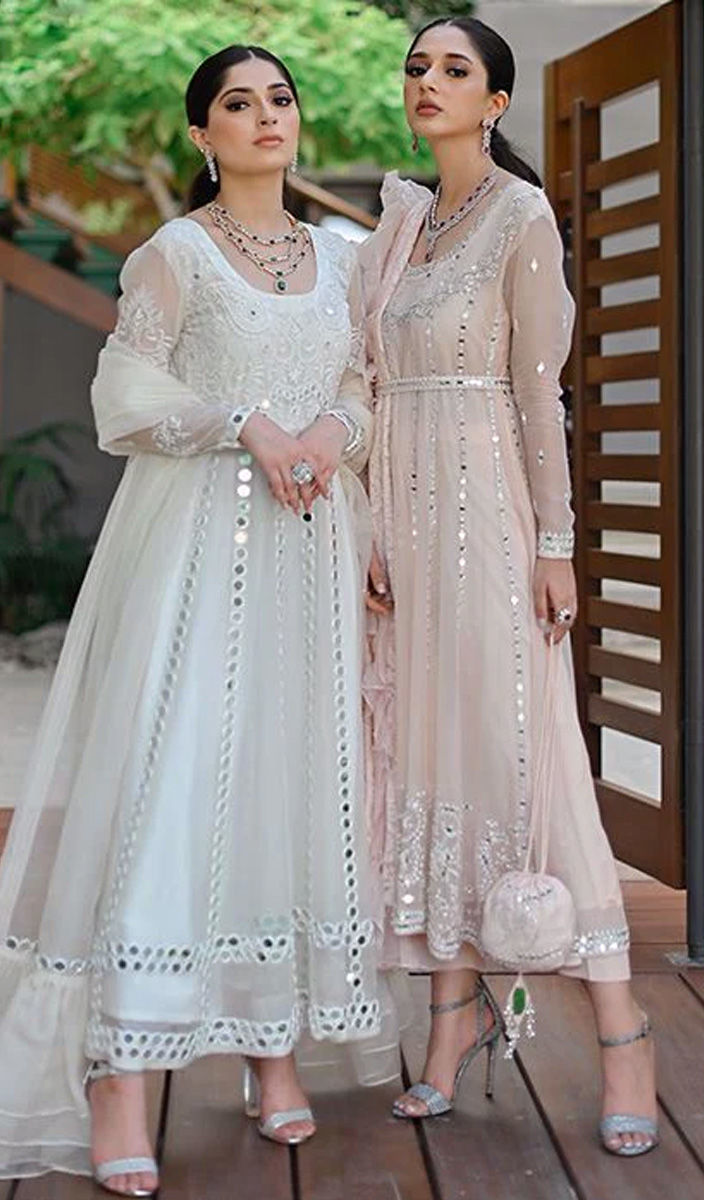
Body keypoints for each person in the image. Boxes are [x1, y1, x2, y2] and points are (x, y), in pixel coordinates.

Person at [0, 44, 390, 1197]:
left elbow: (363, 385)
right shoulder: (173, 253)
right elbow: (122, 394)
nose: (265, 116)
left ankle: (272, 1048)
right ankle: (121, 1071)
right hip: (197, 550)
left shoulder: (347, 257)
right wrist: (247, 422)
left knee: (290, 779)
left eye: (279, 99)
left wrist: (330, 434)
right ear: (200, 135)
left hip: (313, 549)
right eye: (237, 103)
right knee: (174, 778)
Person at [359, 16, 658, 1157]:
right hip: (403, 529)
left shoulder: (520, 216)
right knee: (431, 762)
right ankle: (447, 1029)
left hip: (487, 523)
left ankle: (623, 1037)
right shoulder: (401, 222)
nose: (426, 84)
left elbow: (540, 393)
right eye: (416, 69)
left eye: (453, 71)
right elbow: (367, 382)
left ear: (493, 102)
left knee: (524, 762)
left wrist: (556, 542)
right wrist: (369, 528)